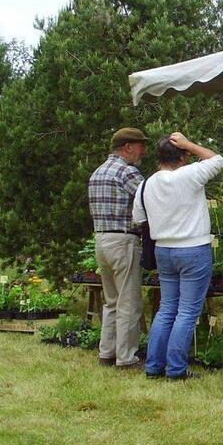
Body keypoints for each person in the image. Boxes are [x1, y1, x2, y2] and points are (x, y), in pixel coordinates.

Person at [133, 132, 223, 380]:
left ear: (159, 157)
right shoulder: (189, 175)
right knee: (187, 312)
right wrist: (189, 144)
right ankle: (175, 369)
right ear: (182, 156)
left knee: (167, 309)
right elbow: (217, 160)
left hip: (163, 249)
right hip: (193, 248)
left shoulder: (146, 184)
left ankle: (153, 367)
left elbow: (139, 219)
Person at [88, 127, 148, 368]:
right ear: (128, 147)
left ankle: (107, 352)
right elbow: (150, 198)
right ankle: (126, 357)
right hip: (123, 240)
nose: (143, 150)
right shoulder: (127, 172)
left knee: (111, 301)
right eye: (141, 145)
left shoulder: (97, 172)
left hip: (101, 240)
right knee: (128, 302)